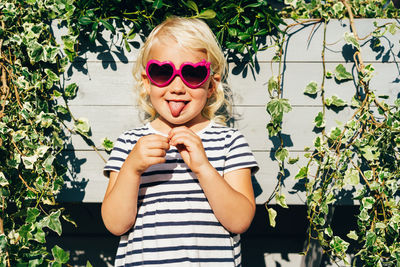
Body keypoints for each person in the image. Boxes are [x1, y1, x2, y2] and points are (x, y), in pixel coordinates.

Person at [101, 16, 259, 267]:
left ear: (211, 85)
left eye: (193, 74)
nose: (177, 87)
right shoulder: (130, 144)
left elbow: (240, 220)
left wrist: (204, 168)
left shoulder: (229, 141)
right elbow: (115, 224)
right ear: (146, 82)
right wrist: (131, 169)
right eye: (163, 72)